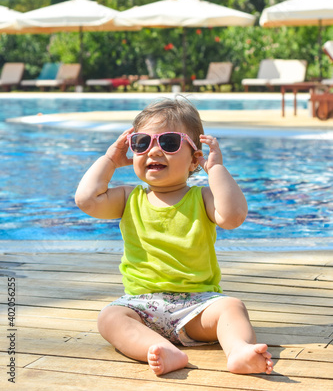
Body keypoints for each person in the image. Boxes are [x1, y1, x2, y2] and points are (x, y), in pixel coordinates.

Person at [75, 97, 274, 377]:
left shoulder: (202, 198)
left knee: (231, 307)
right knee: (110, 317)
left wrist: (215, 168)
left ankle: (239, 349)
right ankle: (158, 348)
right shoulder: (127, 198)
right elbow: (86, 200)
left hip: (198, 306)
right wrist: (109, 160)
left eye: (169, 143)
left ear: (194, 159)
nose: (154, 151)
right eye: (142, 143)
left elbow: (233, 216)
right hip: (141, 305)